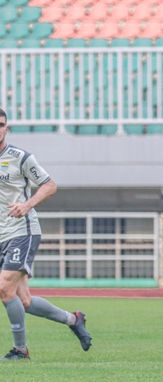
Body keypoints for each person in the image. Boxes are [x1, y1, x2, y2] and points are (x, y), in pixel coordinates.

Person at [0, 108, 92, 361]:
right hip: (1, 235)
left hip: (23, 230)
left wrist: (26, 205)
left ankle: (20, 350)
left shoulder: (20, 158)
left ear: (7, 127)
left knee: (4, 288)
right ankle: (73, 320)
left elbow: (50, 185)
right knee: (24, 300)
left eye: (2, 124)